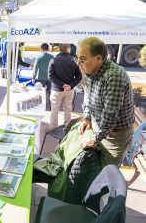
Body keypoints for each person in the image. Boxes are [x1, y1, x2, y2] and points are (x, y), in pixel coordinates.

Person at [77, 37, 134, 167]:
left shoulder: (114, 76)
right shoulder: (90, 71)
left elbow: (110, 115)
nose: (79, 63)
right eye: (78, 58)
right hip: (100, 127)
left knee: (107, 173)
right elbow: (88, 96)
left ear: (98, 58)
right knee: (93, 167)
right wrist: (86, 117)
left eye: (83, 59)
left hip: (116, 135)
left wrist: (95, 139)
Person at [48, 43, 82, 128]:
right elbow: (79, 76)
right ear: (68, 49)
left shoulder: (54, 60)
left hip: (57, 90)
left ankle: (53, 127)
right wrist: (70, 85)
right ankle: (67, 127)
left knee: (54, 110)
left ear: (59, 49)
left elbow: (50, 77)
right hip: (69, 90)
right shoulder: (74, 61)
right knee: (67, 109)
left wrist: (62, 85)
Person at [32, 43, 54, 111]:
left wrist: (33, 77)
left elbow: (35, 68)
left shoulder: (39, 57)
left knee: (41, 93)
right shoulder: (52, 57)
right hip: (50, 78)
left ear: (41, 49)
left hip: (41, 78)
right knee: (50, 92)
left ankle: (41, 107)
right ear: (48, 49)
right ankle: (50, 107)